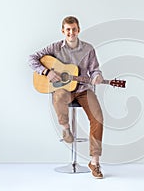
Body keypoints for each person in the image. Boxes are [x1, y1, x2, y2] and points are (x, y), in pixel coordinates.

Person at [28, 16, 103, 179]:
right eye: (68, 29)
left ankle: (94, 162)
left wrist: (97, 76)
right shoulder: (55, 47)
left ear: (78, 30)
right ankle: (65, 129)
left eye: (74, 29)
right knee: (59, 96)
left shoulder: (88, 49)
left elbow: (95, 70)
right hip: (65, 90)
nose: (71, 32)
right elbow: (31, 58)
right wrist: (46, 72)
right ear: (63, 31)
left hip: (84, 89)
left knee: (98, 118)